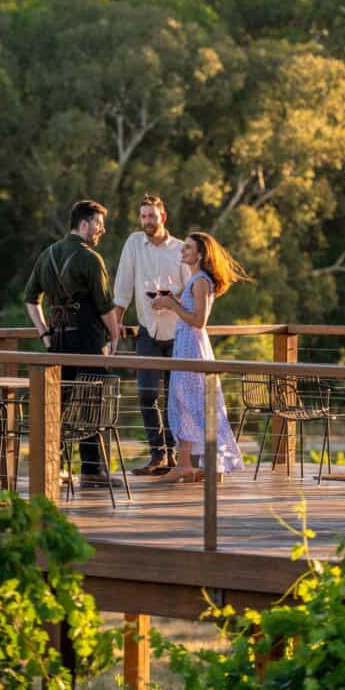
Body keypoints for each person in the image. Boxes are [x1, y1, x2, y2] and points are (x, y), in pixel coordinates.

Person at [24, 199, 121, 488]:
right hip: (89, 340)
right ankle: (91, 470)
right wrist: (115, 336)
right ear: (84, 224)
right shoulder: (91, 259)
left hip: (58, 340)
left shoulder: (48, 254)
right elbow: (105, 307)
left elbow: (30, 299)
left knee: (57, 406)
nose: (101, 232)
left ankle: (53, 469)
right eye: (98, 226)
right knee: (95, 404)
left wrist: (44, 333)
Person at [151, 232, 248, 483]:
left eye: (188, 248)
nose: (182, 251)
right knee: (183, 403)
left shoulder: (201, 281)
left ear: (201, 254)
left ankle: (210, 466)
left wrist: (172, 306)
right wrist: (172, 301)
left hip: (192, 347)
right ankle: (187, 464)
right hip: (185, 345)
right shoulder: (196, 279)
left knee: (197, 404)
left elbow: (199, 321)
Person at [113, 193, 190, 475]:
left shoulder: (181, 249)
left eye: (152, 216)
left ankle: (174, 458)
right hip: (147, 331)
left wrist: (170, 299)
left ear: (163, 218)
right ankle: (158, 455)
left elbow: (190, 290)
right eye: (143, 216)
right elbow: (123, 287)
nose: (147, 221)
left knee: (175, 398)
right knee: (146, 394)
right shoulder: (134, 243)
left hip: (178, 333)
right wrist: (116, 326)